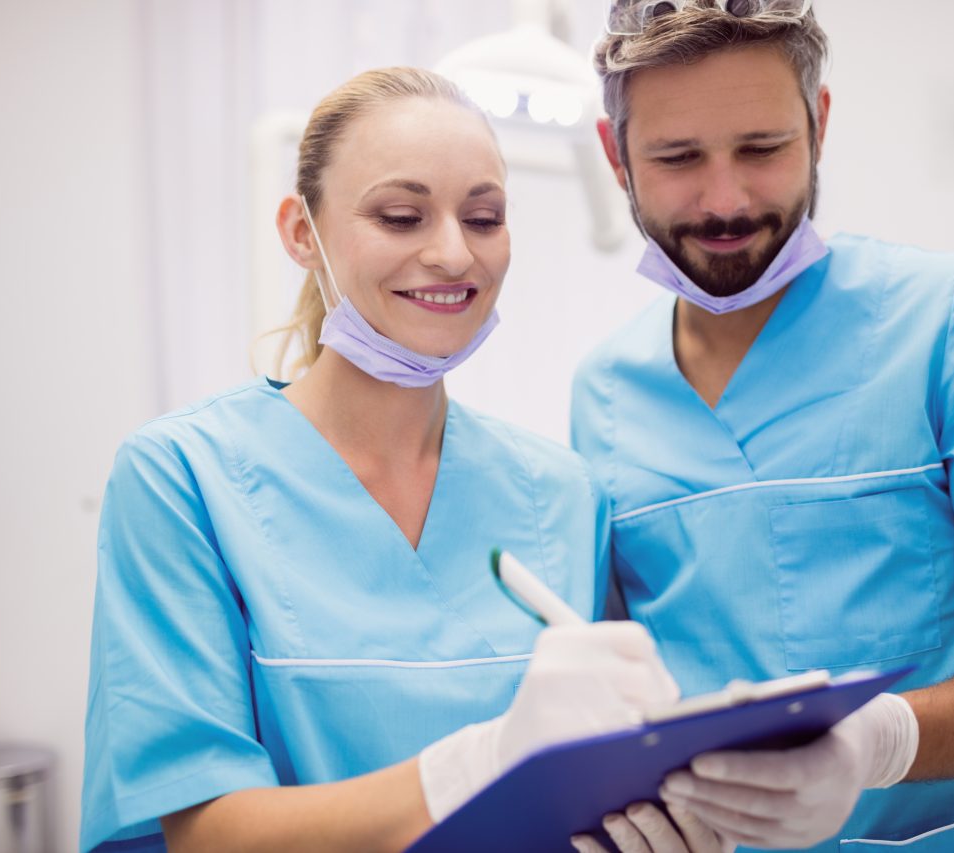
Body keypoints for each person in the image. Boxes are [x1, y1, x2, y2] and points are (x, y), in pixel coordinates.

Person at [569, 2, 954, 850]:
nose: (725, 199)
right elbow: (622, 694)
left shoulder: (953, 324)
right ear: (616, 156)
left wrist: (883, 741)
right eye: (678, 157)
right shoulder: (605, 395)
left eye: (762, 148)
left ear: (819, 123)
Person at [80, 66, 680, 853]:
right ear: (302, 233)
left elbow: (595, 779)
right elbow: (207, 830)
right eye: (401, 216)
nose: (454, 253)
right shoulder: (183, 479)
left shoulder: (563, 494)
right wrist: (474, 765)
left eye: (484, 217)